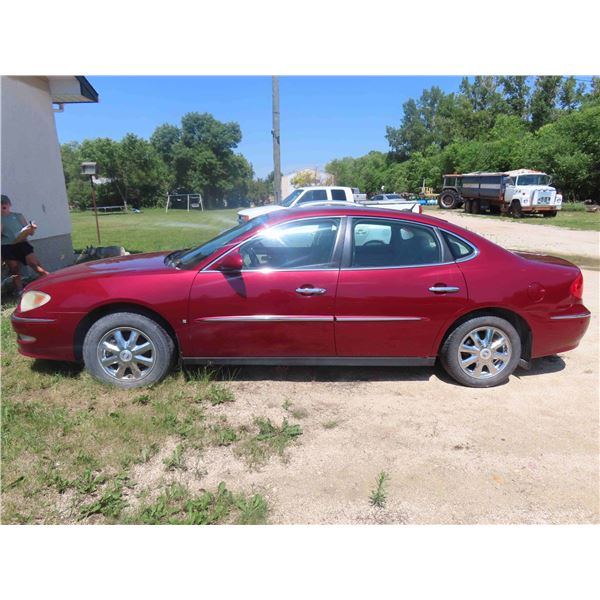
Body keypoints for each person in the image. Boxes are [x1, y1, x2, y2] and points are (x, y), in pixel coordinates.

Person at [1, 194, 49, 295]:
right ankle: (20, 291)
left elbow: (30, 232)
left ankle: (51, 281)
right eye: (1, 203)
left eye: (5, 202)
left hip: (22, 244)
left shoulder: (17, 216)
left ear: (9, 204)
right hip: (7, 246)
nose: (3, 205)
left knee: (35, 265)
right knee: (14, 270)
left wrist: (31, 228)